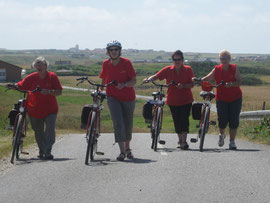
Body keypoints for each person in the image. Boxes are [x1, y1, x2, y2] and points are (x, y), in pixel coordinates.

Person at [8, 56, 63, 159]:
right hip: (34, 109)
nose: (38, 66)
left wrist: (49, 92)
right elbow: (21, 85)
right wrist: (13, 86)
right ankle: (42, 151)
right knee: (38, 131)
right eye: (36, 64)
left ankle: (47, 151)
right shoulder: (32, 77)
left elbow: (59, 92)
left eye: (40, 64)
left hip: (50, 109)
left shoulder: (52, 76)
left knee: (49, 130)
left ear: (45, 66)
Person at [143, 50, 194, 150]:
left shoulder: (188, 69)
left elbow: (192, 84)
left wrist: (183, 86)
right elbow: (157, 76)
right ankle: (180, 141)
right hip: (173, 100)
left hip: (186, 100)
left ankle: (184, 142)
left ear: (182, 60)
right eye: (175, 59)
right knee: (177, 121)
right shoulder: (168, 69)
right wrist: (149, 79)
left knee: (184, 120)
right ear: (173, 60)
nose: (177, 61)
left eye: (179, 59)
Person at [99, 40, 136, 161]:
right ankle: (122, 152)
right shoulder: (106, 64)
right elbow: (104, 79)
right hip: (112, 97)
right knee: (118, 123)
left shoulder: (127, 63)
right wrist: (100, 90)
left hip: (128, 97)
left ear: (120, 51)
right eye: (111, 50)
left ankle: (128, 147)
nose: (114, 52)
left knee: (127, 123)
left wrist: (124, 84)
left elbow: (134, 81)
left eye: (116, 49)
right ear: (108, 52)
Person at [199, 50, 242, 150]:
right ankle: (221, 135)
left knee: (233, 120)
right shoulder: (217, 69)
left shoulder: (234, 68)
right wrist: (200, 79)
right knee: (222, 120)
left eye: (226, 58)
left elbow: (239, 81)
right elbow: (208, 77)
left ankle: (232, 142)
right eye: (222, 58)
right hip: (221, 98)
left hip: (235, 97)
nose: (224, 60)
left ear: (229, 59)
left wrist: (231, 84)